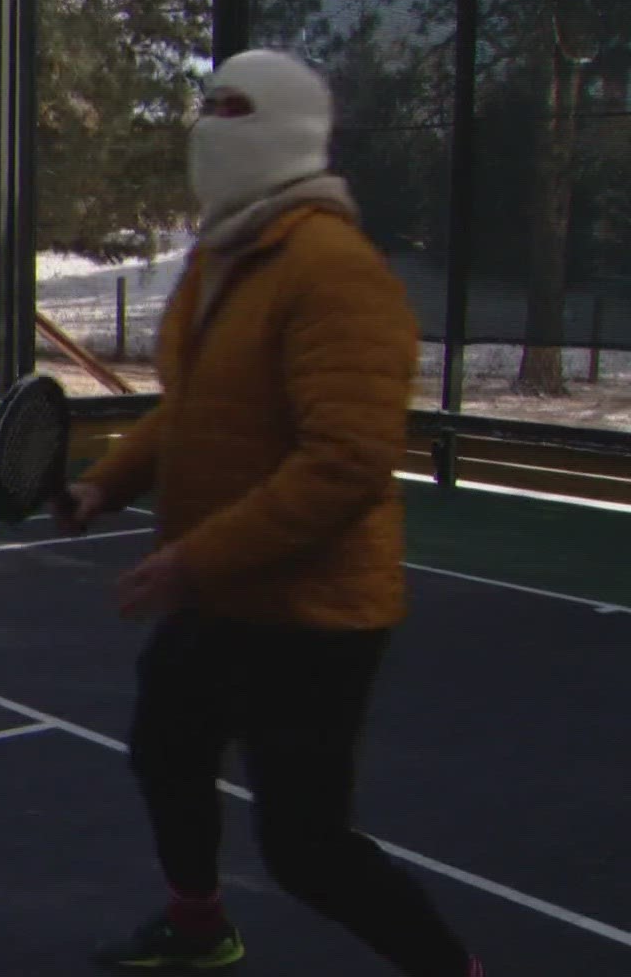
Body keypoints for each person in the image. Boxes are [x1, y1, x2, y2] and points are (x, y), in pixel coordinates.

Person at [58, 50, 483, 976]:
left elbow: (349, 462)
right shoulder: (222, 256)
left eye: (235, 108)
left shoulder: (335, 272)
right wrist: (107, 483)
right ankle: (200, 928)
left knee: (307, 849)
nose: (210, 125)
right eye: (204, 106)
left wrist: (192, 561)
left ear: (289, 132)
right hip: (216, 596)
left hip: (312, 615)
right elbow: (193, 402)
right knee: (165, 753)